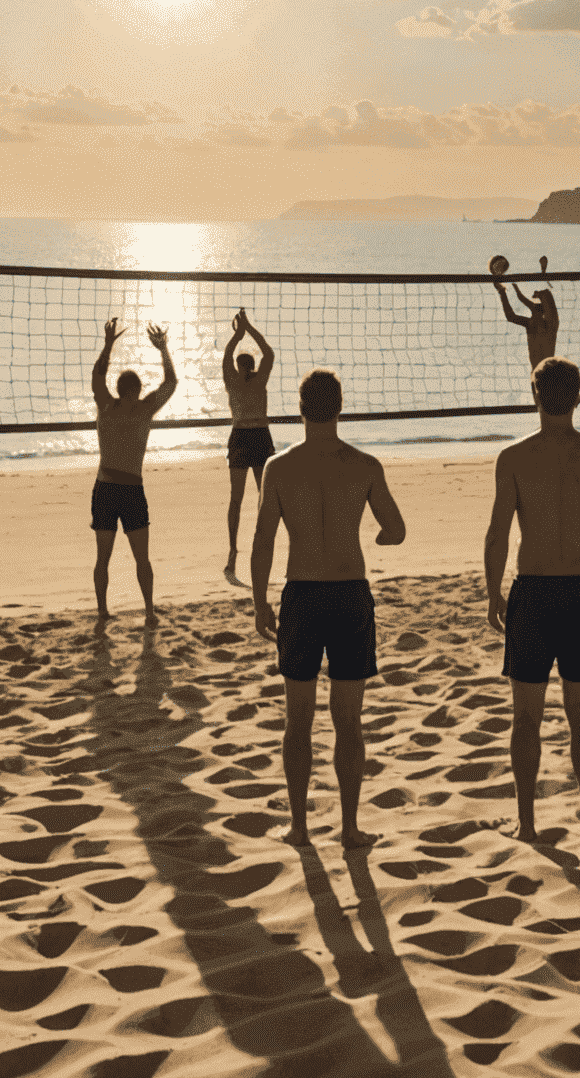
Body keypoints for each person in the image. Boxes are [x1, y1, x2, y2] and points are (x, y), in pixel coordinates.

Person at [251, 368, 406, 850]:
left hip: (301, 594)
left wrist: (259, 601)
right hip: (348, 594)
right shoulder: (364, 465)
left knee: (298, 718)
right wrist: (376, 535)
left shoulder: (279, 467)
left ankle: (299, 827)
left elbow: (262, 542)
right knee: (348, 719)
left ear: (299, 410)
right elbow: (396, 528)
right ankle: (349, 826)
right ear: (340, 408)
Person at [484, 356, 580, 843]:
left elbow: (498, 535)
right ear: (579, 397)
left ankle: (527, 824)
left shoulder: (514, 458)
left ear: (534, 396)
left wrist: (493, 593)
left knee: (526, 715)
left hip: (534, 589)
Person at [91, 318, 177, 622]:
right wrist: (162, 350)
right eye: (136, 391)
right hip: (116, 488)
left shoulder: (126, 408)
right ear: (134, 390)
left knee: (138, 557)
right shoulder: (122, 407)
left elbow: (170, 385)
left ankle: (149, 611)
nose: (137, 395)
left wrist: (109, 344)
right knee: (105, 556)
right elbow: (98, 377)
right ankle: (105, 610)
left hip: (119, 488)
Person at [223, 308, 276, 579]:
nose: (246, 368)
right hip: (245, 436)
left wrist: (245, 331)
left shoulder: (255, 379)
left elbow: (267, 354)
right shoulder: (237, 380)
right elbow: (230, 356)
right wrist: (243, 332)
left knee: (264, 495)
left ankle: (259, 542)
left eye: (245, 365)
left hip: (254, 435)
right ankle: (233, 549)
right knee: (238, 498)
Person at [492, 261, 559, 369]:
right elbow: (518, 304)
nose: (532, 304)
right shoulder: (533, 323)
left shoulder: (546, 325)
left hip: (544, 369)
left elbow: (522, 303)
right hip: (539, 369)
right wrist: (504, 290)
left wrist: (504, 291)